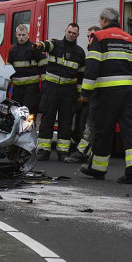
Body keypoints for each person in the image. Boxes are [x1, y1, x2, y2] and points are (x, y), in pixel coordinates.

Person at [78, 7, 132, 184]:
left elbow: (92, 66)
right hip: (128, 93)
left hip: (106, 94)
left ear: (103, 20)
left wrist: (85, 93)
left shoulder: (99, 37)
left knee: (103, 130)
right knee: (131, 130)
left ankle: (98, 168)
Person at [33, 23, 86, 161]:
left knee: (66, 121)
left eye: (74, 33)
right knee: (47, 119)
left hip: (68, 92)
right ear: (65, 31)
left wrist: (80, 95)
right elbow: (45, 45)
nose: (71, 35)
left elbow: (80, 76)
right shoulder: (55, 44)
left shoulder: (80, 53)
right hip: (51, 89)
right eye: (69, 32)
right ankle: (44, 150)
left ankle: (63, 152)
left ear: (77, 35)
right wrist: (39, 45)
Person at [64, 25, 101, 164]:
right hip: (94, 95)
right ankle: (93, 154)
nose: (89, 39)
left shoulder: (96, 50)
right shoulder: (93, 49)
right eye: (88, 36)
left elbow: (91, 75)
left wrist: (84, 94)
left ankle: (81, 153)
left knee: (90, 127)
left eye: (92, 36)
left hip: (96, 95)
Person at [7, 24, 45, 114]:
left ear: (28, 34)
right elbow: (8, 72)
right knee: (16, 115)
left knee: (29, 116)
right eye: (19, 35)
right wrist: (6, 89)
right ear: (16, 34)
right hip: (17, 91)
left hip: (31, 90)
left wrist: (44, 87)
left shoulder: (34, 48)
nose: (21, 37)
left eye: (23, 35)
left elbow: (44, 67)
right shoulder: (12, 51)